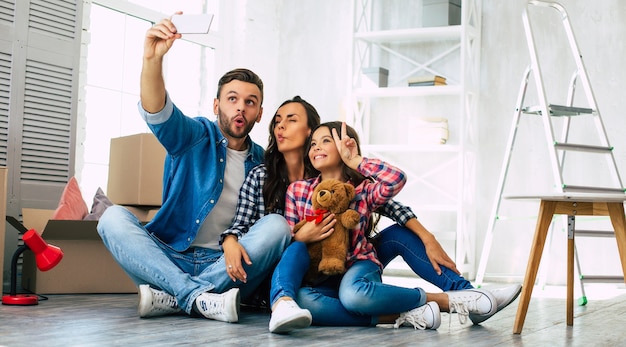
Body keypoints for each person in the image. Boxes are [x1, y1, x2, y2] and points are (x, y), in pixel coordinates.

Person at [96, 16, 292, 323]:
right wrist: (151, 59)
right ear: (216, 106)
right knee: (111, 219)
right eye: (232, 99)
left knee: (277, 226)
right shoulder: (193, 135)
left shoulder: (265, 164)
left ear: (259, 113)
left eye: (250, 102)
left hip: (227, 264)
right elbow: (156, 110)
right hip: (168, 257)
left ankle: (173, 297)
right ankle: (197, 296)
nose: (240, 107)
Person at [269, 121, 499, 333]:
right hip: (319, 275)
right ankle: (406, 312)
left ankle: (460, 295)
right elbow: (289, 242)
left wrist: (356, 161)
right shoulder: (297, 190)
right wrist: (302, 236)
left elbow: (396, 179)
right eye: (313, 144)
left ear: (345, 145)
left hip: (358, 266)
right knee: (304, 300)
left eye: (326, 141)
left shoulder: (363, 190)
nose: (316, 147)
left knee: (353, 296)